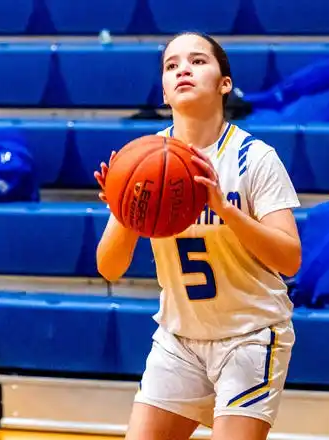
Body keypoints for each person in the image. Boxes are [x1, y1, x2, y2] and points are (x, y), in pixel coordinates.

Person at [95, 32, 302, 440]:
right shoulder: (142, 159)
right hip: (180, 340)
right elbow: (109, 268)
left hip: (250, 335)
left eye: (197, 61)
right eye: (172, 66)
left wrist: (226, 211)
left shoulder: (253, 158)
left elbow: (290, 259)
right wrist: (124, 209)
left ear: (225, 83)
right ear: (165, 92)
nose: (183, 70)